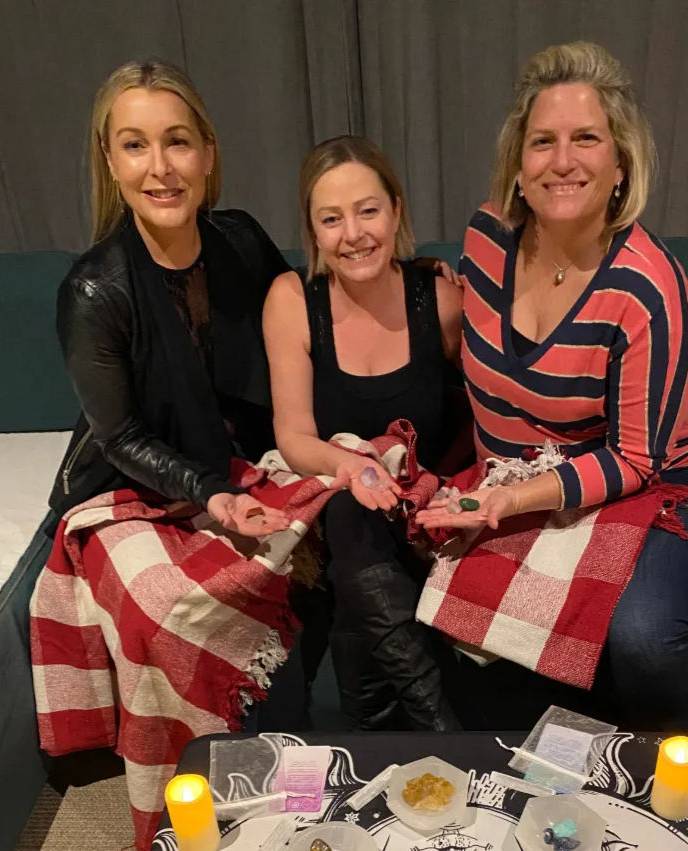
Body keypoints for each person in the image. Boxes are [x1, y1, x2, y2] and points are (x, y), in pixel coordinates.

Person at [417, 42, 688, 761]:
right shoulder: (485, 237)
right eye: (542, 141)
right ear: (517, 163)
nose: (562, 161)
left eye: (585, 138)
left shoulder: (647, 289)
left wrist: (509, 499)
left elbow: (635, 458)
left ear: (621, 164)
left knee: (642, 636)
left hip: (650, 484)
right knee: (453, 623)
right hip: (519, 482)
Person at [263, 135, 463, 730]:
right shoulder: (292, 300)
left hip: (429, 507)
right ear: (312, 230)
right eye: (331, 219)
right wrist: (353, 467)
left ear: (396, 211)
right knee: (350, 511)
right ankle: (445, 727)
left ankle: (377, 731)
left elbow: (480, 416)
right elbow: (295, 436)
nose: (353, 234)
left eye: (368, 210)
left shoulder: (442, 300)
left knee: (358, 615)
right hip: (345, 510)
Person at [48, 59, 288, 539]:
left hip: (241, 466)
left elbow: (309, 318)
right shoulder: (92, 291)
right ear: (111, 161)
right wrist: (211, 492)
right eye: (134, 145)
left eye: (177, 141)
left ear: (207, 153)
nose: (160, 168)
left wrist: (407, 278)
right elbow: (121, 439)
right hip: (136, 486)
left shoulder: (242, 239)